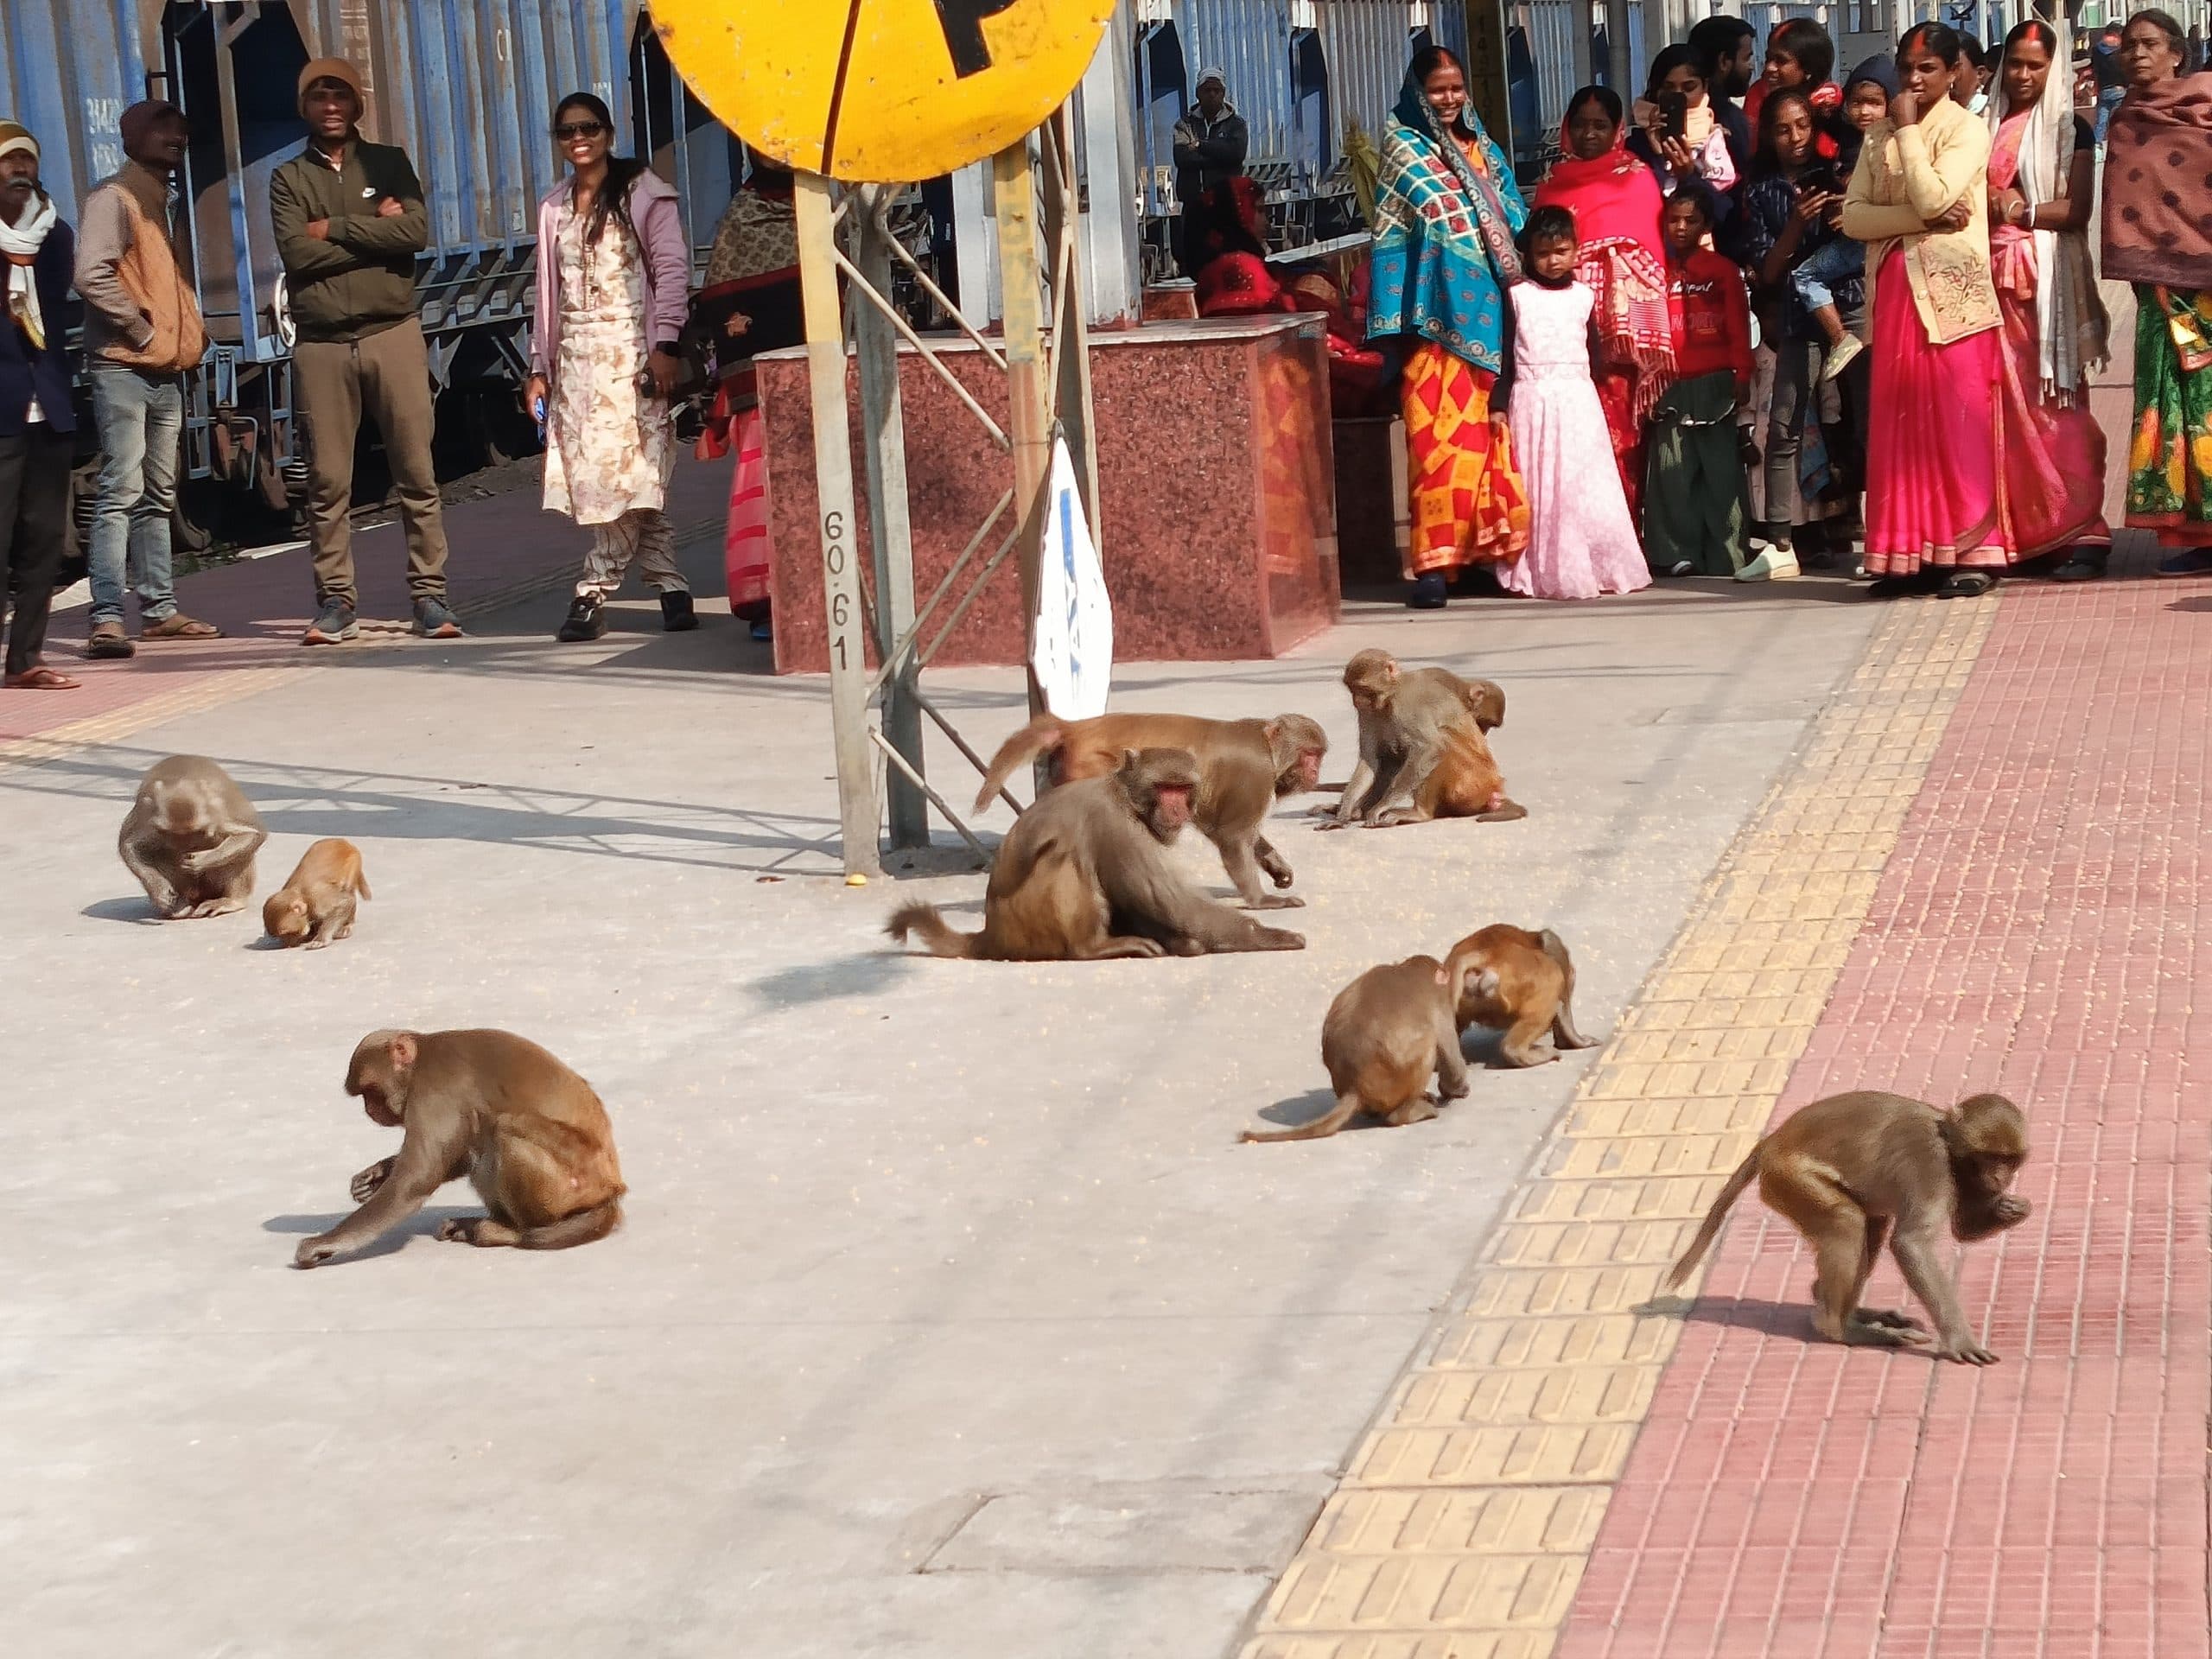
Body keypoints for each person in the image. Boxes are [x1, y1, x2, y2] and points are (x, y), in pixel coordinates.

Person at [270, 58, 459, 645]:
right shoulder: (288, 178)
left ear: (357, 106)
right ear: (305, 107)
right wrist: (372, 230)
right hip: (322, 345)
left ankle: (429, 596)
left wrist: (335, 228)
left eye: (341, 96)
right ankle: (336, 601)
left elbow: (415, 234)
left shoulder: (388, 162)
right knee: (328, 481)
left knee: (416, 471)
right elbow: (297, 257)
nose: (330, 105)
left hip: (391, 333)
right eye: (319, 97)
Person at [1841, 22, 2007, 597]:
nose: (1912, 79)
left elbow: (1940, 193)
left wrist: (1910, 133)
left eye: (1926, 69)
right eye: (1906, 68)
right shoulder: (1877, 133)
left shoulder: (1966, 129)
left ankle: (1972, 554)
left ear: (1953, 71)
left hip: (1953, 301)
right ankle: (1906, 558)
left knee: (1956, 426)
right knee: (1899, 427)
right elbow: (1855, 217)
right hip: (1895, 297)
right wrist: (1921, 221)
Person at [524, 93, 694, 643]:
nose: (580, 138)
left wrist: (665, 343)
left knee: (631, 478)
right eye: (568, 130)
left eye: (590, 127)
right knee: (613, 483)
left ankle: (591, 593)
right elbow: (546, 295)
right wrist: (538, 366)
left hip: (633, 357)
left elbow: (671, 269)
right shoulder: (554, 206)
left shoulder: (644, 192)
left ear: (609, 132)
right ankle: (671, 586)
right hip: (575, 363)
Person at [1367, 44, 1531, 609]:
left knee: (1486, 442)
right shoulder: (1403, 146)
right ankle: (1435, 565)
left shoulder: (1482, 145)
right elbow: (1422, 222)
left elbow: (1512, 211)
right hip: (1432, 324)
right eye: (1439, 89)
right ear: (1419, 91)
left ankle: (1480, 556)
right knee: (1436, 443)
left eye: (1457, 87)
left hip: (1491, 319)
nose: (1450, 98)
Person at [73, 100, 219, 659]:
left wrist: (185, 338)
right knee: (121, 492)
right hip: (124, 366)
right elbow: (91, 273)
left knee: (157, 495)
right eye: (162, 129)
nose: (176, 137)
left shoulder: (163, 197)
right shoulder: (116, 197)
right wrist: (139, 331)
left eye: (181, 129)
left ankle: (158, 611)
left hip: (163, 370)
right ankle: (107, 615)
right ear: (132, 137)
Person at [1985, 18, 2113, 580]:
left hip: (2043, 287)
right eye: (2016, 63)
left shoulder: (2070, 130)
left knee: (2055, 407)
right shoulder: (1983, 125)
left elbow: (2076, 211)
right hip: (1985, 283)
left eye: (2036, 65)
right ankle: (2022, 535)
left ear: (2055, 68)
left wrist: (2018, 212)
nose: (2024, 74)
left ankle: (2081, 528)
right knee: (2001, 414)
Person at [2101, 9, 2212, 575]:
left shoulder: (2206, 107)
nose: (2137, 54)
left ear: (2176, 53)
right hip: (2160, 295)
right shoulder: (2125, 120)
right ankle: (2191, 529)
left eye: (2149, 45)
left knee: (2207, 402)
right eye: (2129, 47)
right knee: (2169, 406)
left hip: (2208, 294)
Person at [1533, 86, 1674, 521]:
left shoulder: (1635, 177)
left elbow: (1649, 255)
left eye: (1599, 125)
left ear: (1617, 131)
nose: (1588, 134)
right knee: (1570, 442)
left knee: (1621, 438)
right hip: (1562, 341)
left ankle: (1623, 530)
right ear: (1566, 130)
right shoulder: (1551, 185)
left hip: (1619, 339)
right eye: (1580, 125)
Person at [1499, 206, 1649, 601]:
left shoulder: (1584, 296)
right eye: (1544, 253)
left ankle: (1598, 565)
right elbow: (1504, 356)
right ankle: (1540, 570)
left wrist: (1605, 389)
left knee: (1585, 484)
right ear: (1529, 254)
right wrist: (1498, 403)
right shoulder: (1516, 296)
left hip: (1579, 403)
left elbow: (1594, 353)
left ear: (1576, 250)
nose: (1553, 261)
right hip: (1533, 403)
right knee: (1539, 485)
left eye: (1561, 251)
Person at [1735, 88, 1855, 573]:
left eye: (1802, 125)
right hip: (1795, 318)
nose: (1795, 137)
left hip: (1849, 312)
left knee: (1849, 423)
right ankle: (1783, 542)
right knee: (1785, 424)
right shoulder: (1760, 189)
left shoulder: (1836, 174)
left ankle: (1849, 525)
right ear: (1769, 134)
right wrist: (1794, 224)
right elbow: (1766, 270)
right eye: (1783, 129)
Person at [695, 148, 800, 643]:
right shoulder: (743, 215)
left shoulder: (828, 207)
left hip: (825, 378)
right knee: (763, 479)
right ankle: (764, 600)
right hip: (759, 388)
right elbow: (721, 298)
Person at [0, 121, 79, 690]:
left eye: (27, 160)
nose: (20, 169)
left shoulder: (55, 234)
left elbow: (51, 298)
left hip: (47, 406)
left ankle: (25, 658)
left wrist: (26, 243)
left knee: (44, 542)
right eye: (8, 162)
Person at [1643, 189, 1753, 580]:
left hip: (1715, 385)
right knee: (1673, 472)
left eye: (1691, 220)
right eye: (1674, 219)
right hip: (1671, 385)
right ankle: (1676, 553)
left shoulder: (1723, 270)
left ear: (1706, 226)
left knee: (1721, 473)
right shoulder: (1654, 270)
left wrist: (1742, 372)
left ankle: (1729, 554)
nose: (1681, 227)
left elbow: (1739, 325)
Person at [1628, 45, 1740, 233]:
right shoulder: (1636, 145)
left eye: (1689, 88)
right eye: (1668, 88)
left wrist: (1688, 176)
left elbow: (1728, 214)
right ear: (1656, 90)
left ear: (1705, 86)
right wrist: (1657, 155)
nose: (1679, 96)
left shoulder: (1721, 137)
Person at [1173, 69, 1248, 275]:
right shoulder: (1184, 125)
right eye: (1207, 90)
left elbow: (1235, 153)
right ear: (1198, 93)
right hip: (1194, 205)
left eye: (1216, 90)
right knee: (1194, 262)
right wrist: (1219, 155)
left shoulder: (1236, 124)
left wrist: (1200, 146)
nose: (1212, 95)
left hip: (1226, 205)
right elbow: (1182, 158)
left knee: (1227, 260)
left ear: (1224, 93)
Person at [1746, 17, 1844, 158]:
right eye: (1768, 59)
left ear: (1809, 68)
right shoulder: (1758, 94)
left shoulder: (1831, 107)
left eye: (1781, 61)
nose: (1769, 67)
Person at [1688, 14, 1759, 175]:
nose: (1751, 67)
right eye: (1746, 58)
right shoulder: (1729, 118)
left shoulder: (1681, 114)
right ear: (1724, 61)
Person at [2091, 21, 2127, 143]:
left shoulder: (2097, 49)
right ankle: (2117, 145)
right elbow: (2124, 70)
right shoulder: (2121, 49)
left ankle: (2097, 148)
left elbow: (2095, 70)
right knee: (2117, 121)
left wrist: (2097, 87)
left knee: (2101, 122)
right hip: (2119, 89)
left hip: (2103, 90)